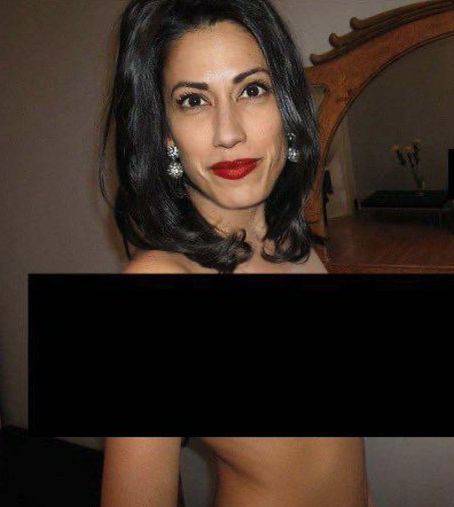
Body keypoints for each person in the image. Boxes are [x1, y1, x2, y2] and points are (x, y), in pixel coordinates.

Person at [98, 1, 375, 506]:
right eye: (193, 101)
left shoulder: (296, 251)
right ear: (165, 134)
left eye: (251, 90)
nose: (229, 133)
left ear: (286, 107)